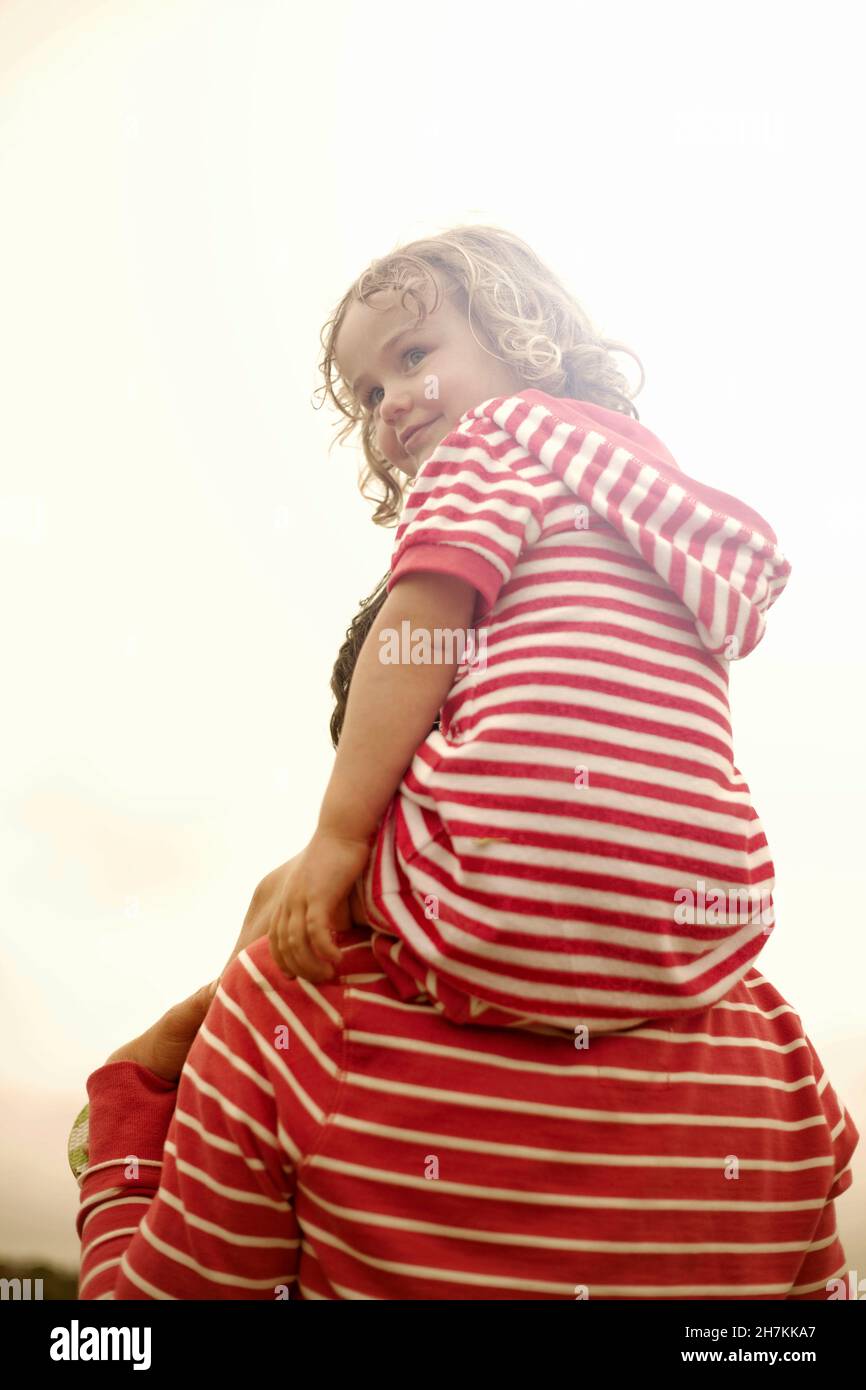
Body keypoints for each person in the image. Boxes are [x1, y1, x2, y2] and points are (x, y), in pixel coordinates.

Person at [74, 226, 859, 1299]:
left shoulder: (495, 447)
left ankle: (206, 1015)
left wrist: (337, 839)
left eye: (412, 356)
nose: (387, 402)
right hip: (703, 914)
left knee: (284, 902)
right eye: (363, 391)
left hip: (470, 912)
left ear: (523, 339)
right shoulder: (779, 1061)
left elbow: (423, 622)